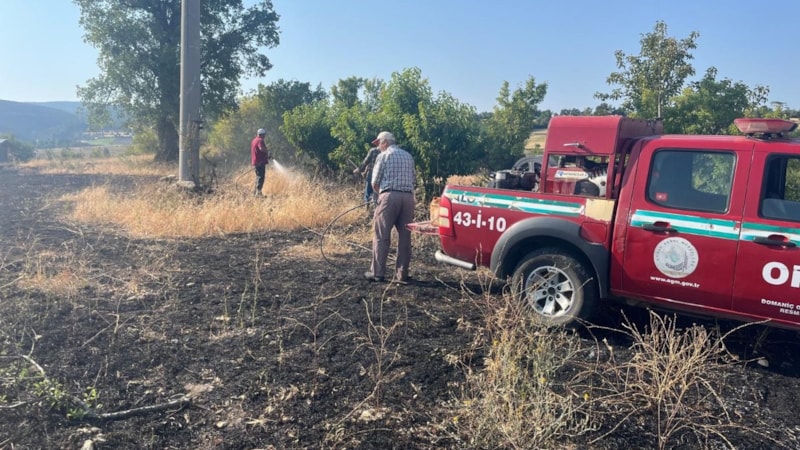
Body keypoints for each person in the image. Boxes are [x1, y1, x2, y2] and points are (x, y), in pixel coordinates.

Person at [364, 131, 415, 283]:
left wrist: (381, 195)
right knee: (405, 237)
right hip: (408, 198)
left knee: (381, 235)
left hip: (389, 196)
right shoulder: (408, 156)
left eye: (379, 143)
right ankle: (402, 275)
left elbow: (374, 182)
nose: (378, 147)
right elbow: (414, 180)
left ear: (385, 142)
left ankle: (377, 273)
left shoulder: (383, 156)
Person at [251, 128, 271, 196]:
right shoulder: (260, 140)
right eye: (264, 135)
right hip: (260, 162)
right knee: (261, 177)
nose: (264, 136)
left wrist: (266, 155)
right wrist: (267, 151)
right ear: (261, 134)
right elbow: (261, 149)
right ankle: (258, 194)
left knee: (258, 177)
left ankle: (255, 192)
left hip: (256, 162)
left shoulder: (254, 140)